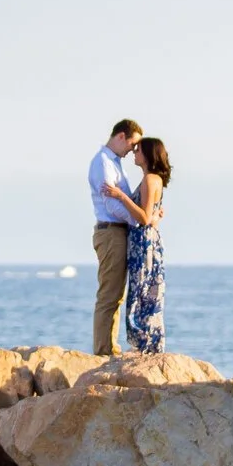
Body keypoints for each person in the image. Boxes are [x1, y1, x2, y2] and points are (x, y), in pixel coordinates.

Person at [102, 135, 172, 354]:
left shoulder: (151, 179)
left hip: (143, 244)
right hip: (143, 240)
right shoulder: (151, 179)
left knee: (142, 292)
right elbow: (151, 216)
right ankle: (146, 344)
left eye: (138, 150)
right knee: (143, 290)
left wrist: (121, 196)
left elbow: (143, 217)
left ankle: (147, 345)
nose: (134, 152)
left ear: (148, 154)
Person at [88, 119, 145, 355]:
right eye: (132, 145)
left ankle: (109, 346)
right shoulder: (103, 163)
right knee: (109, 295)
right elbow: (112, 205)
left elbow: (121, 199)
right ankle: (103, 350)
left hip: (117, 231)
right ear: (121, 136)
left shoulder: (114, 163)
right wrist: (140, 219)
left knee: (116, 295)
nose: (133, 151)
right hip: (111, 231)